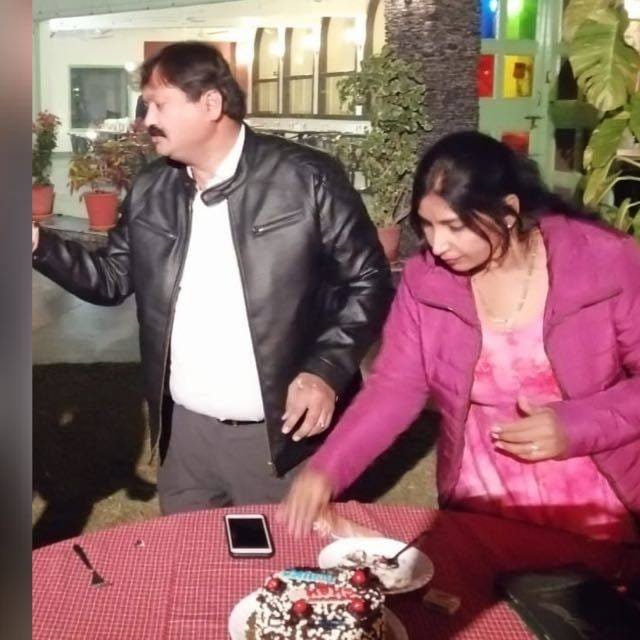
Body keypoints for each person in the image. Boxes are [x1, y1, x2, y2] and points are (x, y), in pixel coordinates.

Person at [32, 42, 393, 514]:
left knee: (280, 560)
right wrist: (37, 243)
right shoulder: (152, 188)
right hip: (185, 440)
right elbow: (111, 278)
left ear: (210, 103)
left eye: (158, 104)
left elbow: (368, 280)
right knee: (190, 558)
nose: (145, 120)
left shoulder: (305, 178)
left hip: (278, 439)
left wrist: (325, 369)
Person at [281, 131, 640, 543]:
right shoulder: (427, 280)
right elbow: (395, 388)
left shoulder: (604, 263)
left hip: (593, 506)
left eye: (454, 226)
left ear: (508, 212)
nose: (438, 245)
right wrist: (327, 469)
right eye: (427, 225)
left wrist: (575, 425)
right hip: (481, 502)